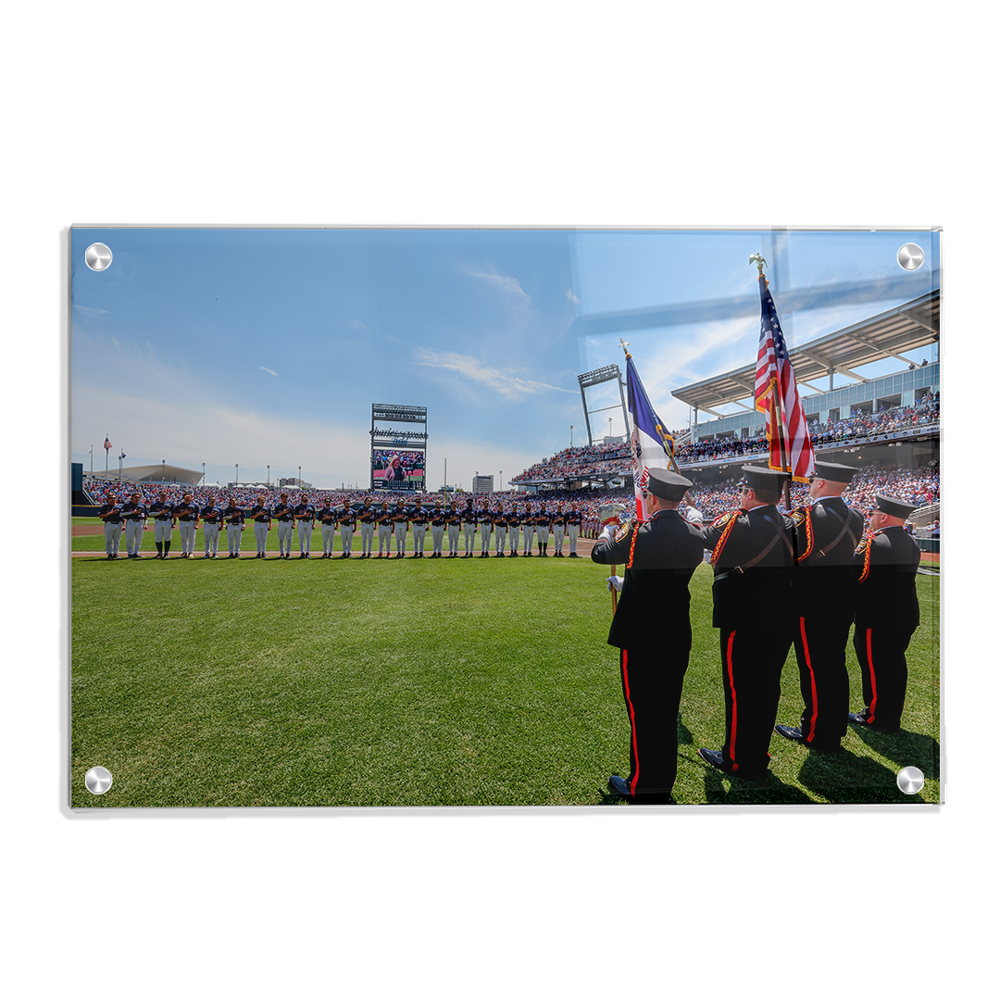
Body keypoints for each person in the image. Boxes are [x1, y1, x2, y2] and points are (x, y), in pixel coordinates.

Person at [591, 468, 705, 804]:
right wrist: (630, 580)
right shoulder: (695, 535)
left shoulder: (638, 532)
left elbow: (601, 554)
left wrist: (607, 531)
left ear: (652, 498)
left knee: (643, 713)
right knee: (666, 712)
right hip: (675, 632)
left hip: (640, 634)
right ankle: (661, 783)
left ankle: (643, 787)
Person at [697, 465, 796, 782]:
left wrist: (693, 517)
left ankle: (738, 759)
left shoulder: (736, 523)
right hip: (782, 619)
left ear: (750, 493)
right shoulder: (792, 523)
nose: (740, 496)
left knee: (741, 692)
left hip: (744, 620)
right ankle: (758, 753)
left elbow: (703, 539)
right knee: (767, 688)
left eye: (742, 491)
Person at [774, 462, 865, 753]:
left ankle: (817, 731)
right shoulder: (856, 515)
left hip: (812, 601)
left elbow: (789, 556)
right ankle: (835, 725)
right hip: (842, 601)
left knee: (815, 668)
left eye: (813, 479)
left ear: (821, 483)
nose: (811, 483)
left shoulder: (808, 515)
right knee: (834, 663)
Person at [848, 494, 921, 734]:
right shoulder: (911, 542)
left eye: (872, 514)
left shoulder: (873, 543)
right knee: (894, 666)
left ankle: (876, 716)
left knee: (875, 667)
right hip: (905, 615)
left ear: (884, 517)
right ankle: (890, 717)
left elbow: (854, 577)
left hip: (877, 617)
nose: (869, 518)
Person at [148, 489, 175, 558]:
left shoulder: (171, 504)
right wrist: (160, 513)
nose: (163, 496)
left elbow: (174, 514)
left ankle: (166, 553)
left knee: (167, 538)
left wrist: (174, 522)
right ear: (159, 495)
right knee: (158, 538)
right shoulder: (155, 504)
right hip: (158, 521)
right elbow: (150, 514)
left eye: (164, 495)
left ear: (166, 495)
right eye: (161, 494)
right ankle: (159, 553)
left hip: (167, 521)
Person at [121, 490, 148, 558]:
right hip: (131, 521)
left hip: (140, 522)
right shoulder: (127, 504)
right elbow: (122, 514)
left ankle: (136, 553)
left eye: (139, 497)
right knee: (129, 538)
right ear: (132, 498)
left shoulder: (142, 505)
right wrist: (132, 512)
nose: (137, 498)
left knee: (139, 539)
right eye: (136, 497)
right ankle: (130, 553)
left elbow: (145, 515)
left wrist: (145, 524)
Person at [98, 492, 125, 558]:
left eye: (114, 498)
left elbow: (124, 517)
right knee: (108, 540)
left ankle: (115, 553)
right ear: (108, 499)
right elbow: (100, 516)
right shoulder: (105, 507)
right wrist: (111, 513)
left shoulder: (120, 507)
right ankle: (109, 553)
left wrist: (124, 525)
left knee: (117, 540)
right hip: (109, 524)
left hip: (118, 524)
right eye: (111, 498)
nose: (113, 499)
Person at [175, 492, 199, 558]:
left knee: (192, 538)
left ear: (191, 497)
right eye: (186, 497)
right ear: (184, 498)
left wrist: (197, 524)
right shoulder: (180, 506)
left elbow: (198, 515)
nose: (188, 498)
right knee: (183, 538)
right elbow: (175, 515)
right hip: (183, 522)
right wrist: (184, 513)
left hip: (192, 522)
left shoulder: (195, 505)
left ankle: (191, 552)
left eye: (189, 497)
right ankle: (184, 552)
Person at [249, 493, 272, 558]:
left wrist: (270, 525)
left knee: (264, 539)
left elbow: (270, 517)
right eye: (261, 500)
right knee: (258, 539)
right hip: (258, 523)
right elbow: (252, 517)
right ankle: (259, 553)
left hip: (265, 524)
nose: (263, 501)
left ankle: (263, 552)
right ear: (258, 501)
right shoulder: (255, 508)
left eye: (263, 499)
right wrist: (258, 514)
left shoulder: (267, 508)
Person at [273, 492, 295, 559]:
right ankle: (282, 553)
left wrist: (294, 523)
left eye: (286, 497)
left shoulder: (290, 506)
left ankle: (288, 553)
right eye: (283, 497)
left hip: (289, 522)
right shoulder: (278, 506)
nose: (285, 498)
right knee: (281, 538)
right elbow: (275, 515)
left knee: (289, 538)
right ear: (281, 498)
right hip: (281, 522)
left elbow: (294, 515)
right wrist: (283, 512)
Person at [294, 492, 315, 557]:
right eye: (304, 497)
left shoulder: (311, 506)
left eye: (306, 497)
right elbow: (295, 515)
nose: (305, 498)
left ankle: (307, 552)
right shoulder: (298, 506)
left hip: (309, 522)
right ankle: (302, 552)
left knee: (308, 539)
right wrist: (303, 515)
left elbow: (314, 515)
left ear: (308, 498)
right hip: (301, 522)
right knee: (301, 539)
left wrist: (314, 524)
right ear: (302, 498)